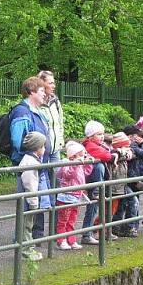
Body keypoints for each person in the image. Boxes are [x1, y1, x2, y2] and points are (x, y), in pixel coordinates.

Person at [9, 76, 52, 238]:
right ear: (31, 92)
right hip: (28, 165)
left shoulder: (38, 112)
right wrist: (32, 155)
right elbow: (17, 140)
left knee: (37, 202)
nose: (44, 94)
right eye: (41, 91)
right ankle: (21, 241)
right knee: (27, 204)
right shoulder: (22, 112)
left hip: (38, 163)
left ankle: (34, 237)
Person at [80, 121, 116, 245]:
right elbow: (106, 156)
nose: (102, 136)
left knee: (94, 208)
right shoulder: (90, 146)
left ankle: (88, 233)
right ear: (90, 136)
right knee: (93, 207)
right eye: (99, 134)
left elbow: (108, 152)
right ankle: (86, 234)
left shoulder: (98, 145)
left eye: (102, 134)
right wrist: (113, 156)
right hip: (92, 184)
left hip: (96, 183)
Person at [15, 132, 49, 261]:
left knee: (28, 225)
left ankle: (28, 248)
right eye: (43, 147)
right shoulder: (30, 162)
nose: (45, 149)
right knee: (26, 226)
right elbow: (30, 184)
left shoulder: (31, 159)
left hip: (28, 199)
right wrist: (34, 201)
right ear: (37, 148)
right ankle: (26, 252)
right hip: (28, 200)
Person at [55, 141, 92, 250]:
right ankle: (61, 240)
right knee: (63, 220)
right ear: (74, 155)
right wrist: (76, 164)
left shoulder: (79, 164)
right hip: (67, 196)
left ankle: (71, 240)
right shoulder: (66, 163)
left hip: (76, 196)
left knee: (72, 220)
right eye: (81, 154)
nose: (83, 156)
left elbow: (87, 172)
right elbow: (68, 175)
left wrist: (88, 162)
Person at [109, 132, 138, 238]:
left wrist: (127, 151)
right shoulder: (116, 154)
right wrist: (120, 152)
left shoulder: (125, 153)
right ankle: (103, 229)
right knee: (110, 209)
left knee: (116, 208)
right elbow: (114, 152)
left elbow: (133, 152)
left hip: (121, 185)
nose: (128, 148)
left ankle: (114, 228)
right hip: (115, 187)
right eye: (126, 146)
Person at [38, 70, 65, 164]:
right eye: (50, 83)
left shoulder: (55, 101)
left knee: (57, 177)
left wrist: (60, 141)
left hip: (56, 149)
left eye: (54, 83)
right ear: (42, 84)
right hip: (42, 150)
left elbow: (60, 123)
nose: (54, 86)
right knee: (43, 177)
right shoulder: (36, 103)